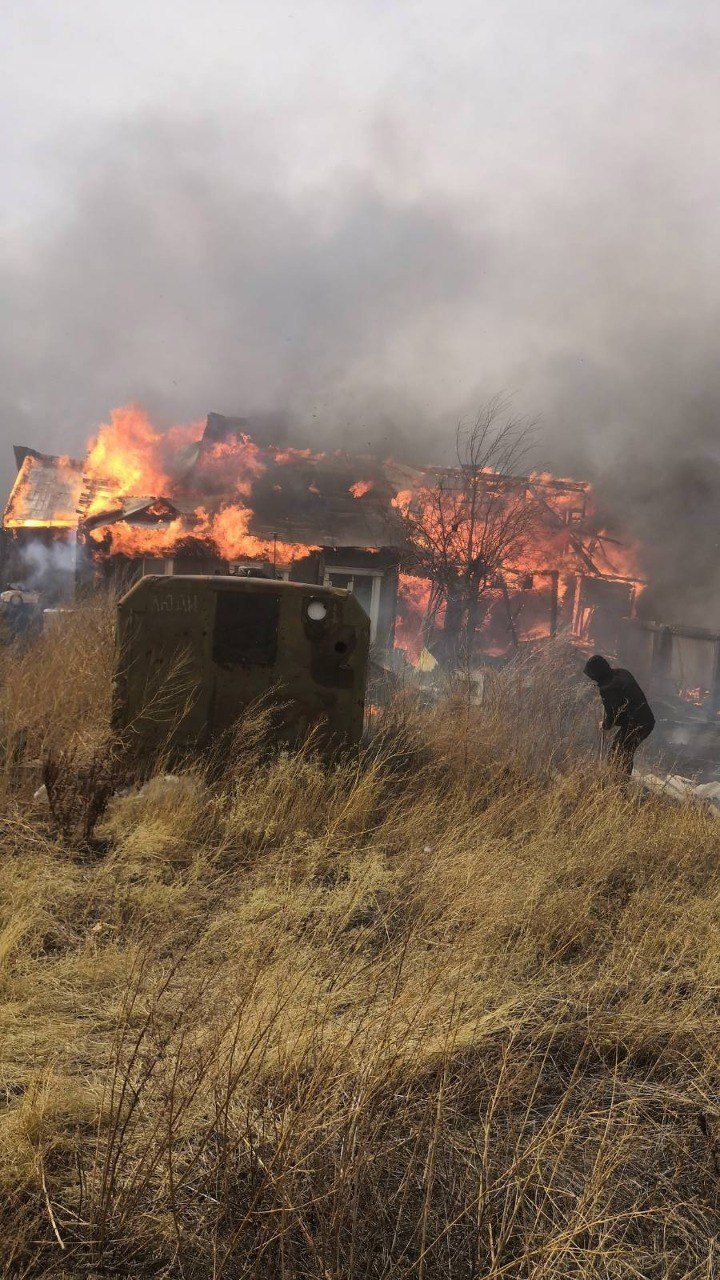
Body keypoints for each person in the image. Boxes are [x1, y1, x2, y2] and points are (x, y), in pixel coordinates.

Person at [583, 654, 655, 775]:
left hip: (636, 724)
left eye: (592, 676)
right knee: (618, 750)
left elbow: (613, 715)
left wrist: (605, 725)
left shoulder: (607, 688)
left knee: (622, 754)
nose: (592, 679)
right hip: (646, 719)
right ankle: (618, 780)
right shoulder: (622, 672)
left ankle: (621, 785)